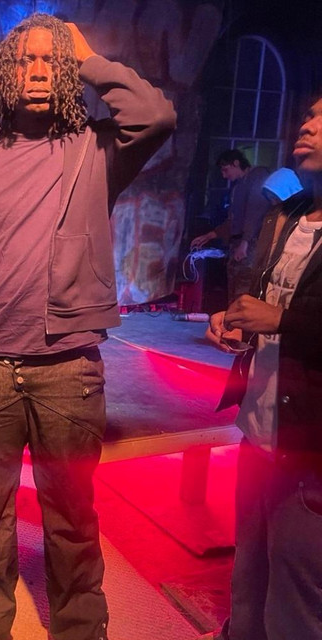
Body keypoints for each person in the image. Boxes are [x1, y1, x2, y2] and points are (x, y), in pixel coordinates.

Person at [0, 14, 176, 640]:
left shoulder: (96, 150)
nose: (37, 71)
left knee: (71, 515)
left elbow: (155, 116)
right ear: (4, 73)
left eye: (50, 60)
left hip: (67, 369)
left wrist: (88, 57)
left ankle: (80, 628)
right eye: (24, 60)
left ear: (66, 70)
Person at [204, 96, 322, 640]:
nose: (307, 125)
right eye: (308, 115)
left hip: (310, 447)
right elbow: (263, 297)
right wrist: (237, 323)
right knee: (248, 576)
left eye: (321, 118)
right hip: (257, 432)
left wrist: (282, 320)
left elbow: (286, 315)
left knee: (297, 599)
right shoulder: (285, 216)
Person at [191, 149, 271, 301]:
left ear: (236, 163)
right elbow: (233, 220)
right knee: (234, 289)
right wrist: (210, 235)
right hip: (237, 244)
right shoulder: (237, 187)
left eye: (226, 170)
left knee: (244, 290)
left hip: (251, 245)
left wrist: (245, 243)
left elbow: (255, 213)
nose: (224, 175)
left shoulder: (257, 177)